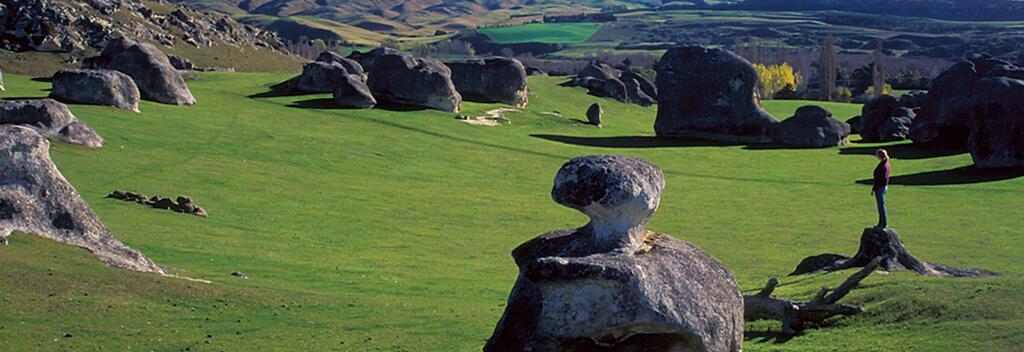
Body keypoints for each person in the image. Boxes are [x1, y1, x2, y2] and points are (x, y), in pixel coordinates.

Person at [871, 149, 891, 229]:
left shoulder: (883, 166)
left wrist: (875, 188)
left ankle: (883, 224)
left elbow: (880, 178)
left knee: (881, 206)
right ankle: (881, 223)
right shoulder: (885, 164)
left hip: (880, 187)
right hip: (882, 186)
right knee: (880, 206)